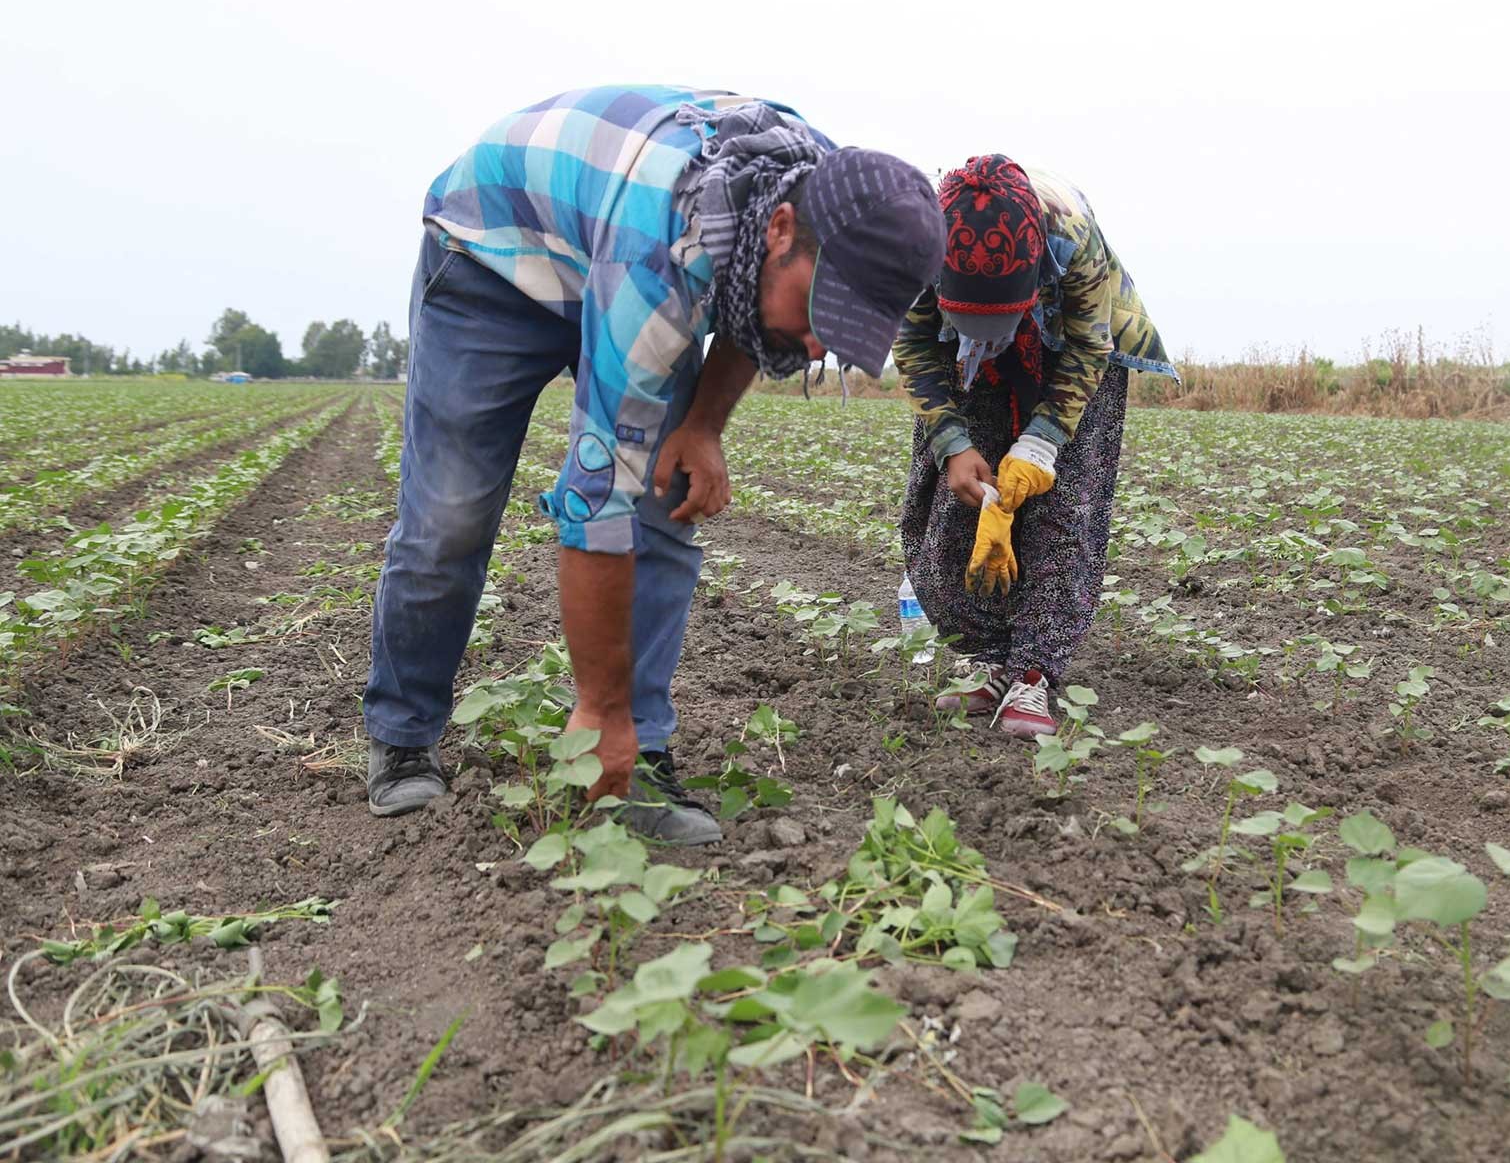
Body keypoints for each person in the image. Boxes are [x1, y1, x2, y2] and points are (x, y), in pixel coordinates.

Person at [363, 85, 942, 842]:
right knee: (452, 515)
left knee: (666, 499)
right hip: (493, 257)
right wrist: (594, 709)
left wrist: (702, 425)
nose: (816, 347)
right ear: (779, 229)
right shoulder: (662, 255)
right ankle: (405, 733)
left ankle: (640, 754)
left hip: (619, 238)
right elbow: (595, 501)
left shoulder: (840, 196)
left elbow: (754, 308)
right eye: (821, 313)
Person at [894, 155, 1176, 736]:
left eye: (995, 320)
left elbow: (1088, 348)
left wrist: (1042, 444)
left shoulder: (1070, 235)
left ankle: (1032, 676)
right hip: (962, 365)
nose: (988, 338)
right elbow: (915, 345)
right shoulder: (917, 240)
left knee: (1063, 505)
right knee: (959, 504)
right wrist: (952, 444)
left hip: (1072, 348)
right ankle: (994, 662)